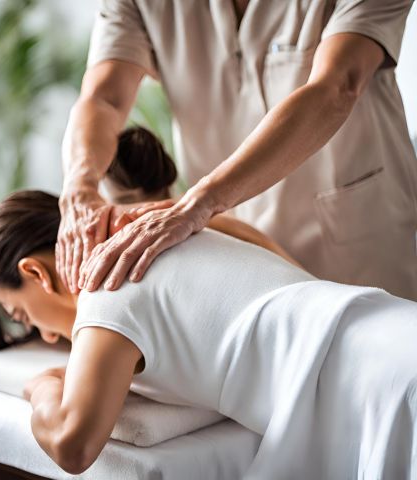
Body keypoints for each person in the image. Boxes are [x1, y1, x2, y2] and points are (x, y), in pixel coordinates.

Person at [0, 132, 417, 478]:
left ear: (36, 273)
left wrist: (41, 387)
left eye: (23, 315)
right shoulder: (187, 226)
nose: (47, 336)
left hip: (375, 395)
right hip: (392, 326)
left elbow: (72, 445)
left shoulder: (105, 287)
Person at [58, 0, 417, 301]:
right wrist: (79, 185)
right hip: (235, 258)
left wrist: (198, 204)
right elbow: (103, 98)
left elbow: (338, 85)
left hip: (359, 243)